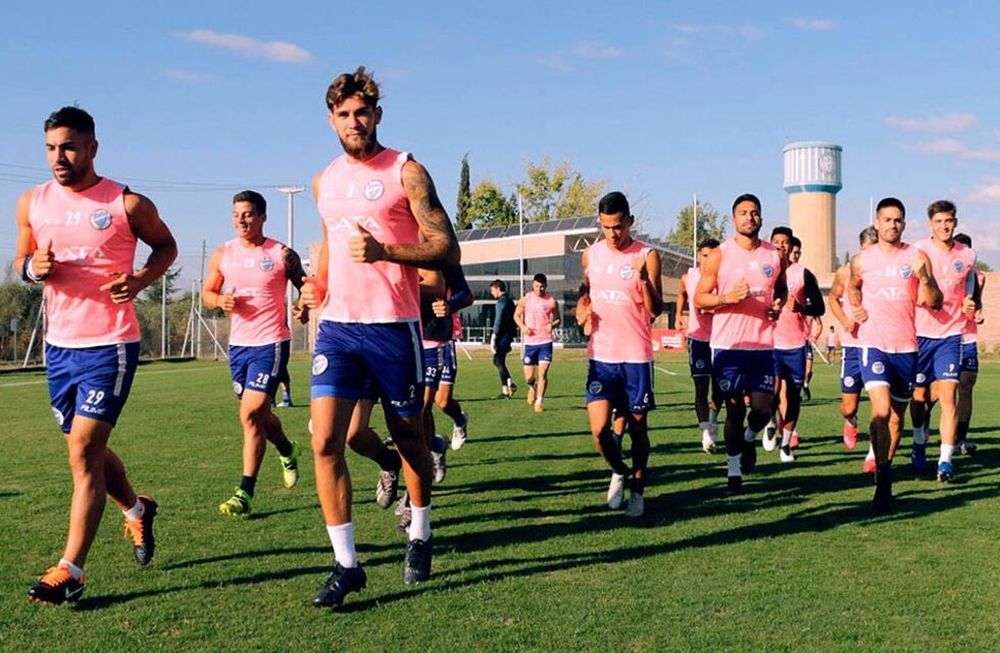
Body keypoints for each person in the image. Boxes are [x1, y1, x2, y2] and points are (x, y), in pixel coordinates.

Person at [300, 67, 460, 609]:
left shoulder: (405, 171)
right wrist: (313, 289)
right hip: (339, 329)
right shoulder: (324, 180)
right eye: (343, 114)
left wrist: (386, 252)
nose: (354, 122)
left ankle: (420, 533)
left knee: (409, 437)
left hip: (395, 329)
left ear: (378, 115)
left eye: (362, 112)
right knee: (326, 441)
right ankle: (347, 565)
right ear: (331, 120)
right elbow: (326, 245)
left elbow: (445, 248)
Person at [14, 106, 177, 604]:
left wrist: (142, 280)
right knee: (86, 452)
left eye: (67, 146)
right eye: (50, 148)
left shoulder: (126, 204)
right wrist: (30, 267)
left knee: (83, 452)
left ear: (91, 148)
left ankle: (72, 570)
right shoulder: (32, 202)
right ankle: (135, 508)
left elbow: (166, 247)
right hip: (59, 348)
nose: (58, 157)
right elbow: (19, 260)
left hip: (110, 344)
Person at [202, 190, 307, 516]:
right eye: (236, 215)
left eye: (247, 214)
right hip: (239, 347)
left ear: (262, 216)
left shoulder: (281, 253)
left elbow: (307, 286)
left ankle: (244, 491)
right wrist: (220, 302)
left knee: (250, 414)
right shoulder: (223, 254)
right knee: (259, 417)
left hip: (272, 342)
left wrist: (302, 307)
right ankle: (288, 449)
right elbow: (208, 292)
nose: (241, 220)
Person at [848, 197, 942, 512]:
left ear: (904, 223)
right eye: (887, 219)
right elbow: (853, 285)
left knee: (897, 420)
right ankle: (883, 482)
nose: (892, 224)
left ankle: (885, 466)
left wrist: (925, 278)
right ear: (877, 223)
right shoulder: (862, 259)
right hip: (874, 343)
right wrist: (857, 306)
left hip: (907, 347)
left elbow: (936, 301)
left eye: (898, 220)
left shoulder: (917, 257)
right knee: (881, 410)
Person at [576, 192, 662, 517]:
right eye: (606, 227)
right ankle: (619, 470)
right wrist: (583, 309)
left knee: (639, 429)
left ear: (630, 222)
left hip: (636, 357)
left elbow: (655, 310)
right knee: (599, 431)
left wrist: (643, 281)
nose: (612, 233)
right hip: (601, 357)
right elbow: (586, 295)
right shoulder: (590, 255)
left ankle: (638, 491)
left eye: (618, 226)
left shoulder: (646, 256)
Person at [694, 194, 785, 495]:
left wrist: (778, 306)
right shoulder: (719, 255)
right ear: (734, 220)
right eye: (743, 213)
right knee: (733, 409)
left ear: (761, 218)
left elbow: (780, 290)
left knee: (761, 410)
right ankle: (733, 473)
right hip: (728, 346)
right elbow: (700, 298)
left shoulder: (774, 255)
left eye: (755, 212)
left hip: (762, 347)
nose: (750, 217)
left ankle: (749, 437)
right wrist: (725, 299)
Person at [909, 201, 979, 481]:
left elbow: (970, 281)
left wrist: (969, 300)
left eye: (948, 221)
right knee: (920, 398)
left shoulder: (968, 254)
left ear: (955, 222)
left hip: (951, 336)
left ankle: (945, 461)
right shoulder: (919, 251)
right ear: (930, 225)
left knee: (949, 396)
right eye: (939, 222)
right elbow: (910, 287)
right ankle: (917, 440)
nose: (944, 226)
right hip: (920, 335)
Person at [765, 231, 824, 462]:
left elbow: (819, 307)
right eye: (776, 243)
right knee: (771, 391)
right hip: (769, 343)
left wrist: (800, 307)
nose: (781, 247)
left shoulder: (803, 274)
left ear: (791, 247)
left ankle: (787, 444)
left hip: (795, 345)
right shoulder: (764, 271)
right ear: (771, 245)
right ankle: (770, 421)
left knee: (792, 396)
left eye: (785, 243)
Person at [828, 226, 879, 471]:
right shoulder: (845, 272)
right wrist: (844, 320)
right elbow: (833, 299)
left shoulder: (886, 271)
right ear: (860, 249)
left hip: (879, 344)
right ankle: (851, 420)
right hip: (852, 346)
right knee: (848, 405)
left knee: (882, 406)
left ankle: (873, 454)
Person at [676, 238, 722, 453]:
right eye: (704, 256)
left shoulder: (723, 278)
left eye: (712, 257)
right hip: (698, 339)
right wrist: (678, 314)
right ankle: (706, 433)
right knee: (701, 387)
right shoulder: (689, 277)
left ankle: (713, 418)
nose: (707, 260)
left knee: (720, 389)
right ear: (698, 255)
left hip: (721, 339)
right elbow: (681, 293)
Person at [953, 233, 984, 456]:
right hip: (946, 337)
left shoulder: (979, 277)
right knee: (938, 392)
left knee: (966, 386)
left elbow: (978, 303)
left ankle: (960, 439)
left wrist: (979, 314)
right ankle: (921, 429)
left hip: (969, 337)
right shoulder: (946, 273)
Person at [514, 273, 560, 412]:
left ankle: (539, 402)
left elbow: (558, 319)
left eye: (541, 286)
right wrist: (523, 327)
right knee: (529, 377)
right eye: (536, 286)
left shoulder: (551, 301)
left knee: (543, 373)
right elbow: (516, 315)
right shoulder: (526, 299)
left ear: (545, 286)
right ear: (533, 285)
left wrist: (552, 325)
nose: (539, 289)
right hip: (530, 343)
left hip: (545, 342)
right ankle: (532, 387)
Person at [490, 279, 518, 398]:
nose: (492, 293)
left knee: (498, 360)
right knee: (498, 360)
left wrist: (494, 335)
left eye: (492, 290)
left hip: (503, 335)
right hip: (508, 335)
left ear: (497, 288)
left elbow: (499, 319)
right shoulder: (509, 301)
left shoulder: (501, 302)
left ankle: (509, 385)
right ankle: (507, 388)